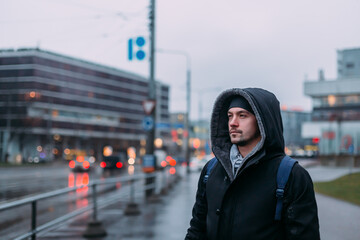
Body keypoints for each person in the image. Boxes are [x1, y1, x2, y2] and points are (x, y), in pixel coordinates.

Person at [185, 88, 320, 240]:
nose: (233, 123)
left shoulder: (291, 176)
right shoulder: (211, 170)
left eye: (242, 116)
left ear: (263, 121)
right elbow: (197, 229)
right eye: (230, 116)